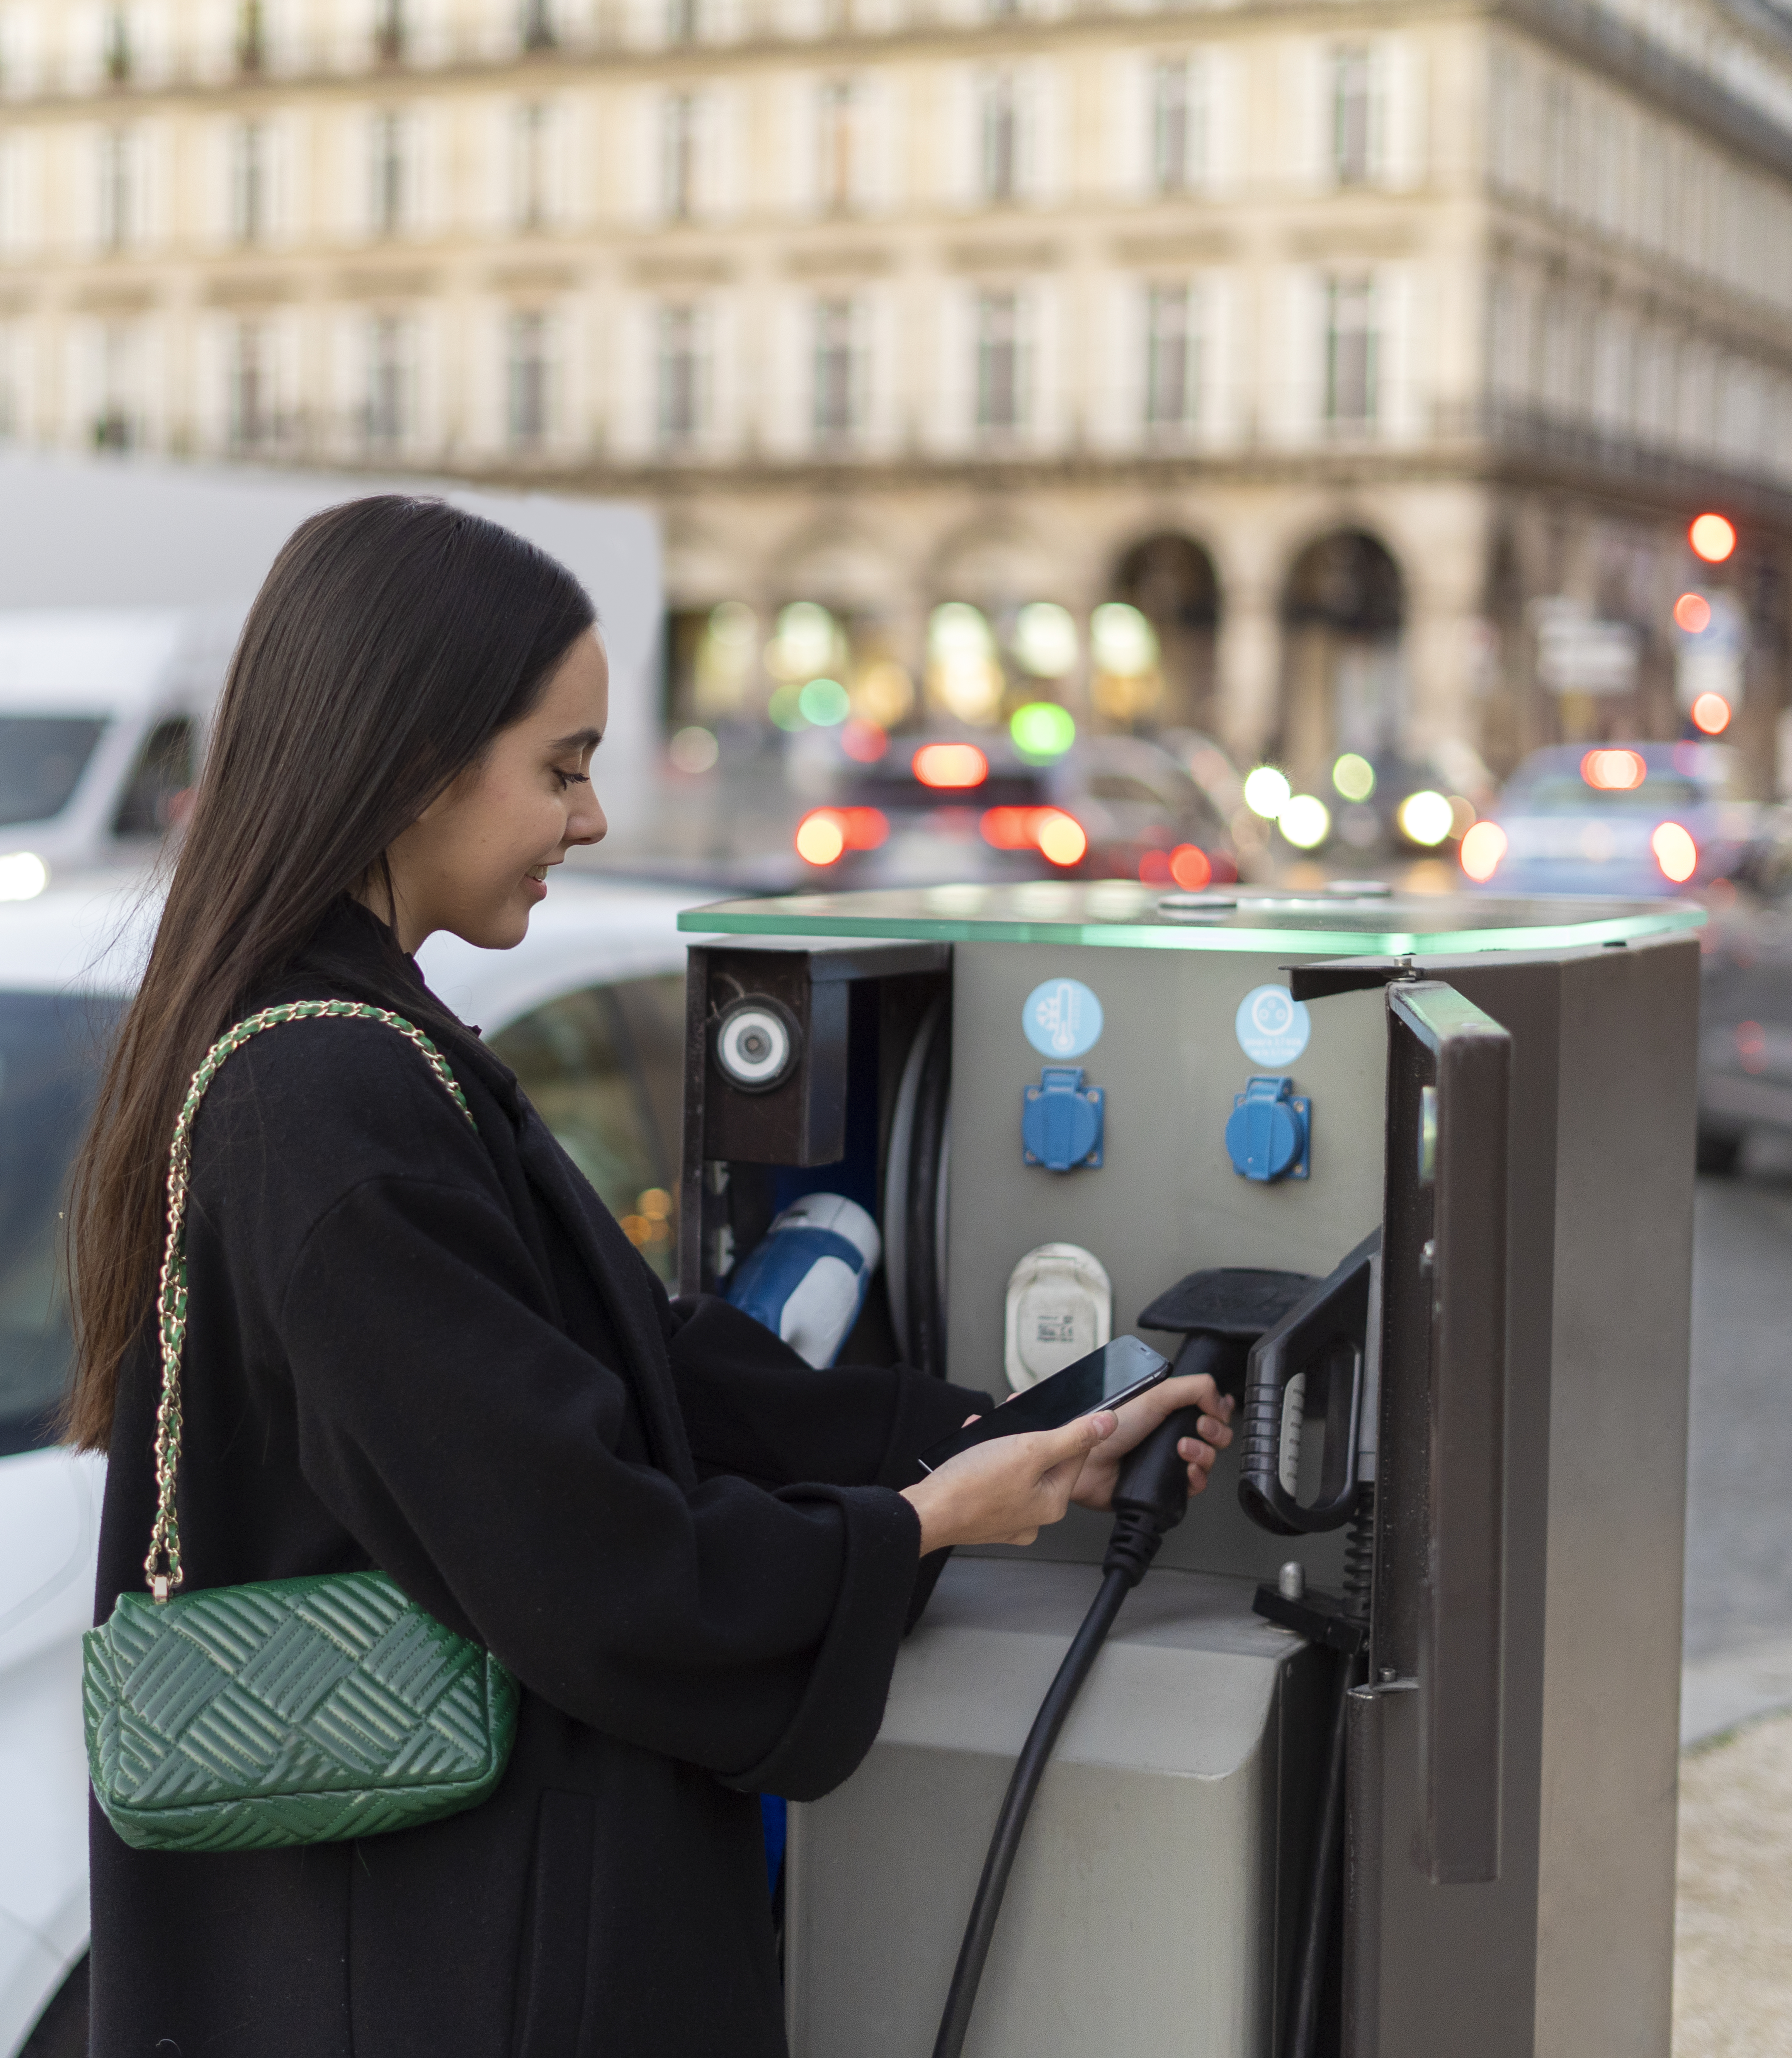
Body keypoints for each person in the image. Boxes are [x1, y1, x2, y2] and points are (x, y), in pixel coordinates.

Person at [64, 495, 1234, 2058]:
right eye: (563, 765)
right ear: (413, 763)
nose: (593, 818)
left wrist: (1002, 1437)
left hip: (422, 1941)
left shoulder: (359, 1047)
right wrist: (917, 1527)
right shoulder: (324, 1097)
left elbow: (644, 1365)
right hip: (438, 1966)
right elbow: (588, 1558)